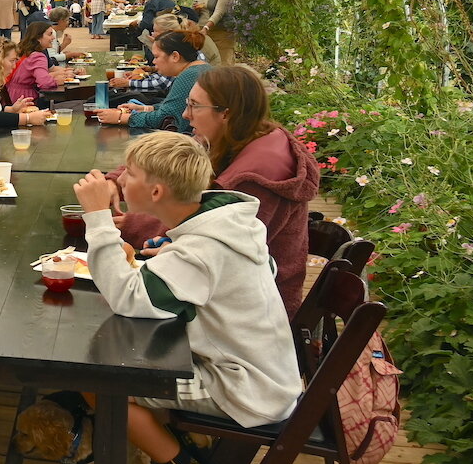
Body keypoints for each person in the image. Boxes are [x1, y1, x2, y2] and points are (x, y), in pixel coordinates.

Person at [73, 132, 302, 464]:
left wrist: (97, 220)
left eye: (131, 175)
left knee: (99, 383)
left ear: (156, 190)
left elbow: (128, 299)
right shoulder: (226, 224)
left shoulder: (201, 250)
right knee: (130, 367)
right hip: (267, 370)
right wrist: (172, 252)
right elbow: (250, 270)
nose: (121, 181)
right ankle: (182, 457)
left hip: (244, 387)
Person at [108, 65, 319, 315]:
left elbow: (202, 233)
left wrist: (128, 224)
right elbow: (171, 156)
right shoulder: (242, 136)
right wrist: (115, 179)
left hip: (244, 315)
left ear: (226, 114)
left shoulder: (254, 177)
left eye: (195, 106)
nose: (186, 115)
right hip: (216, 290)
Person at [95, 31, 207, 131]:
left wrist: (121, 118)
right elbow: (175, 105)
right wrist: (145, 108)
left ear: (175, 56)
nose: (154, 62)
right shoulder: (200, 69)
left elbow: (165, 117)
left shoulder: (189, 76)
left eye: (157, 57)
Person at [6, 22, 74, 107]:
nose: (53, 37)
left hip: (12, 94)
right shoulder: (38, 56)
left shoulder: (26, 51)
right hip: (25, 99)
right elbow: (44, 82)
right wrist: (57, 81)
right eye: (50, 34)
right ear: (38, 37)